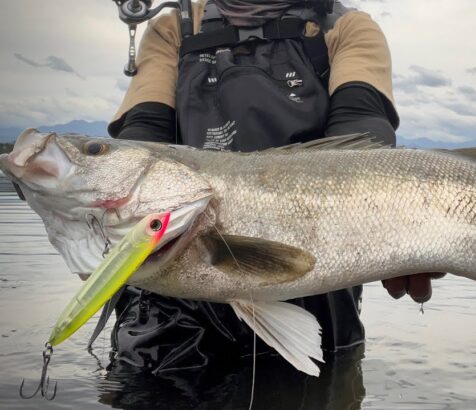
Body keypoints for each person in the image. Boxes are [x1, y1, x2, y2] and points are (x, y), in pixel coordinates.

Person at [108, 0, 442, 373]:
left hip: (318, 277)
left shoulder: (346, 27)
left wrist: (402, 231)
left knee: (325, 386)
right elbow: (142, 137)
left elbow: (362, 134)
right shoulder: (174, 27)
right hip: (172, 292)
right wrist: (98, 214)